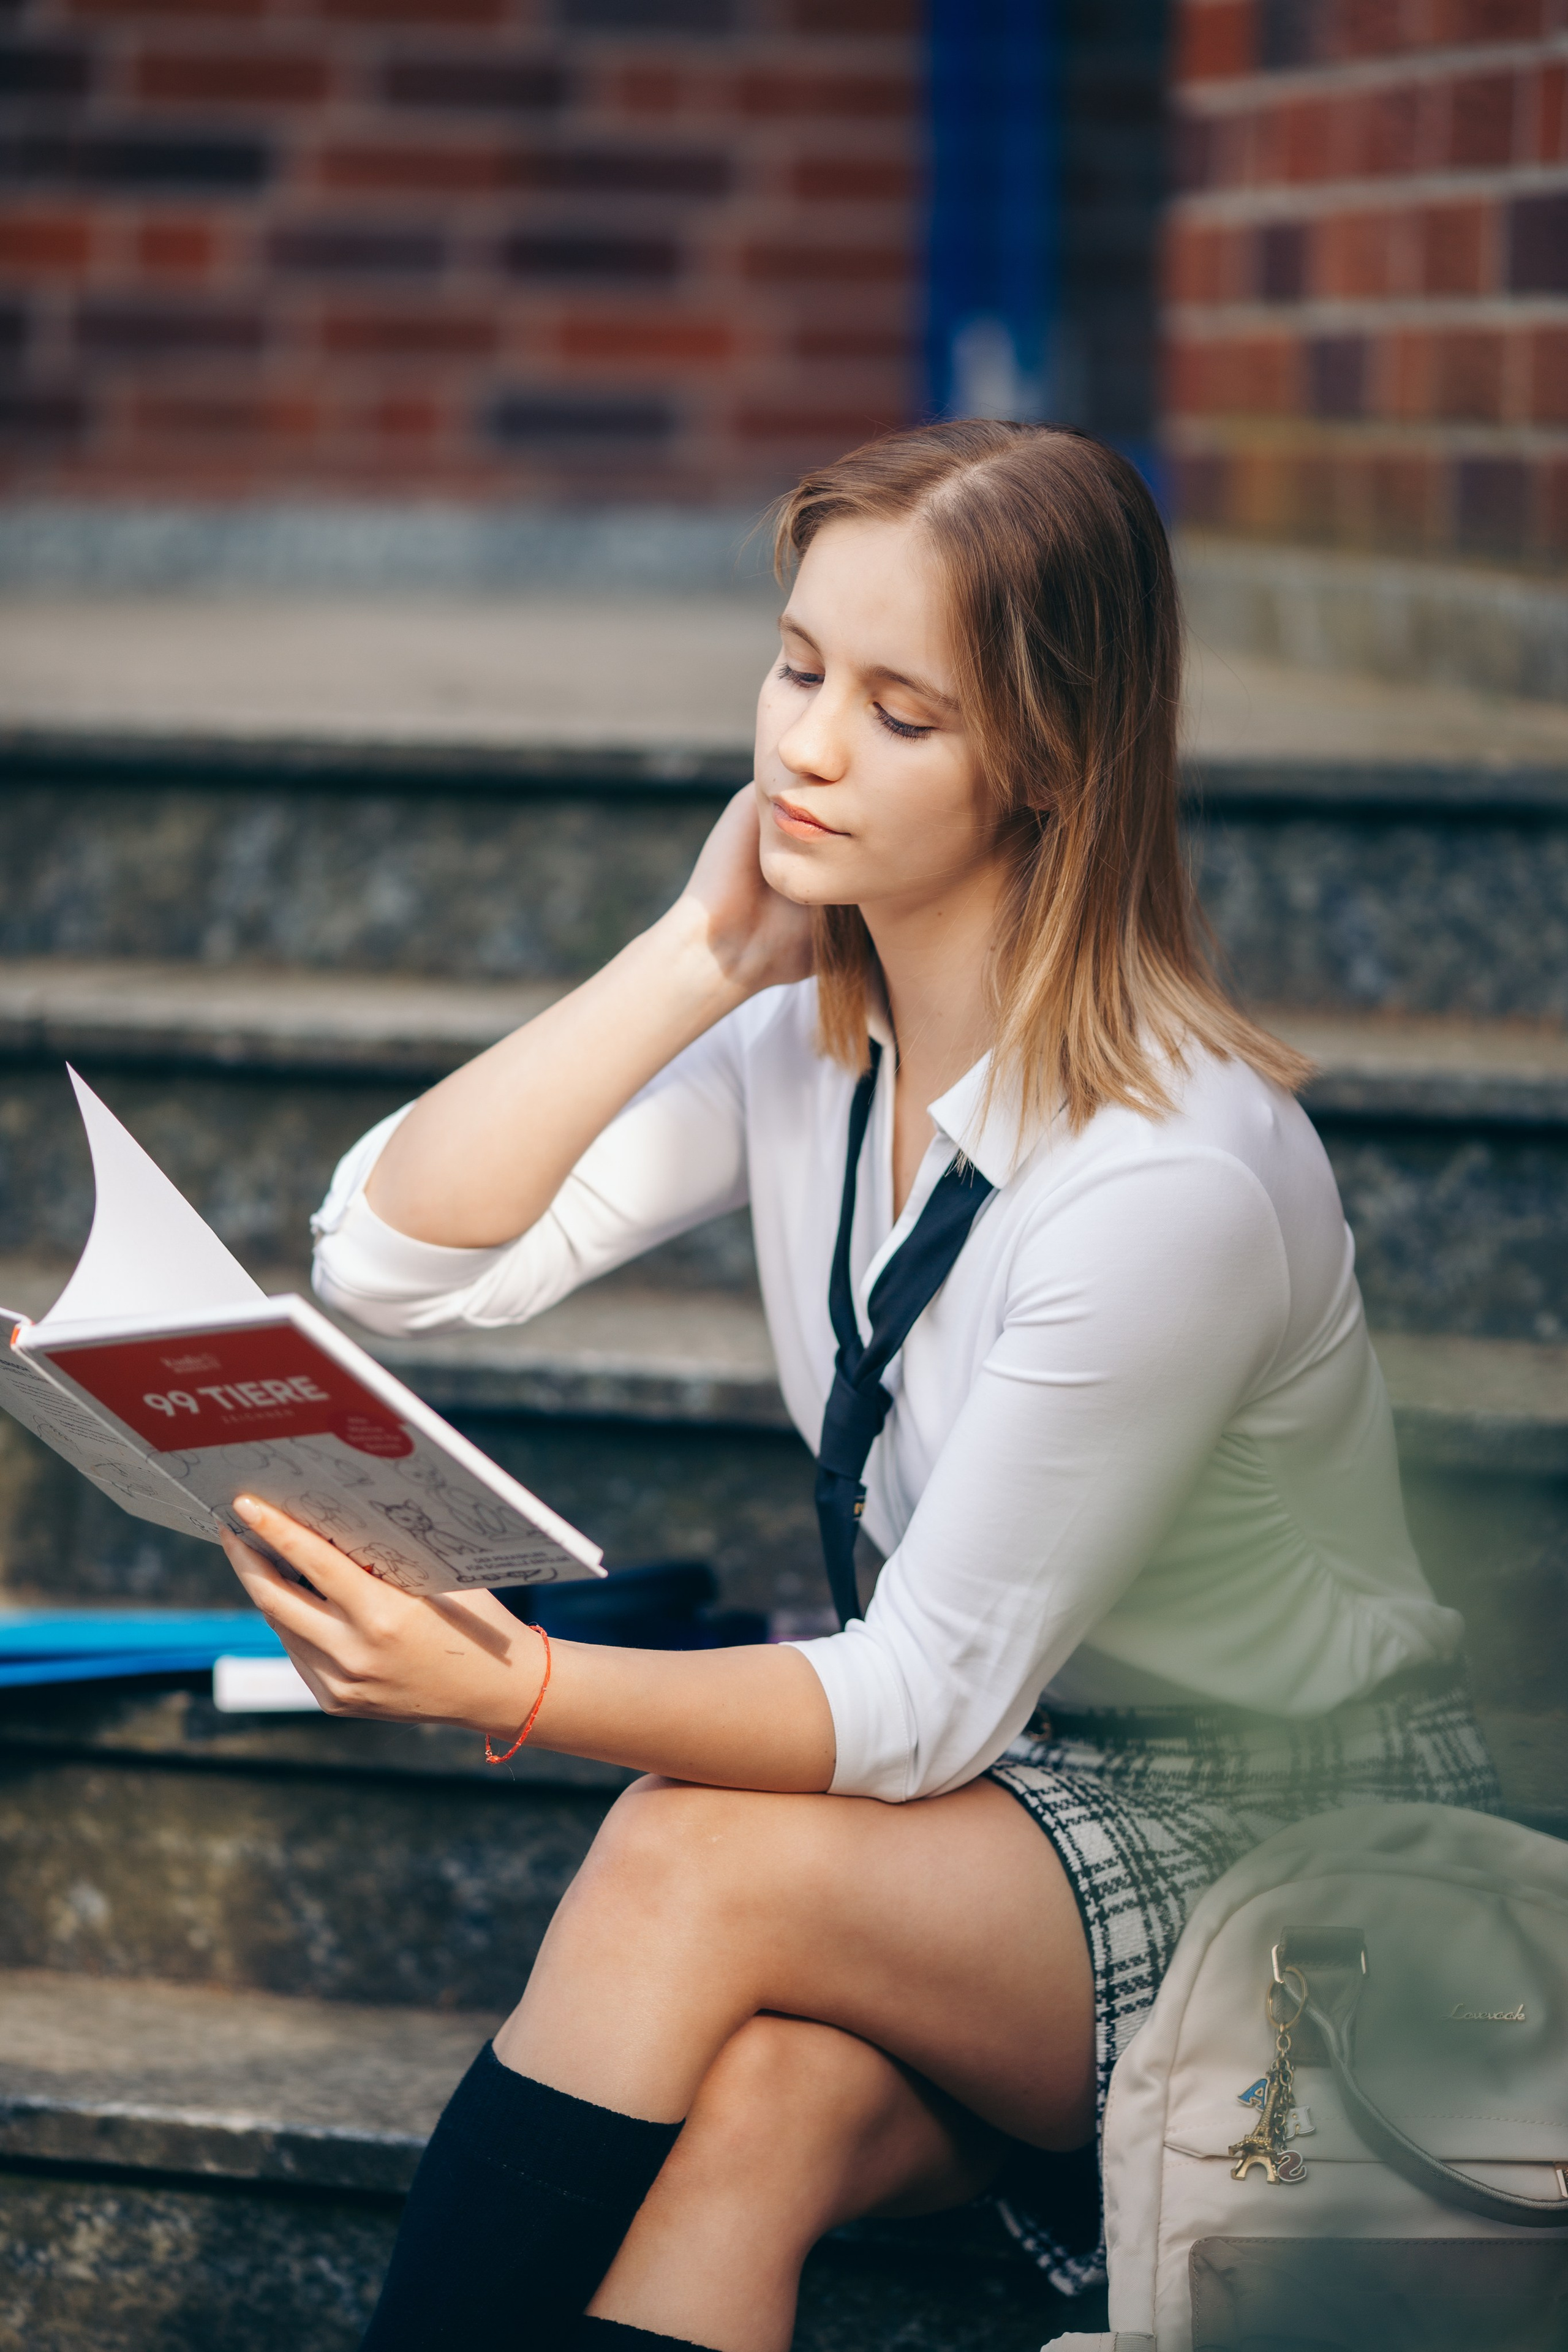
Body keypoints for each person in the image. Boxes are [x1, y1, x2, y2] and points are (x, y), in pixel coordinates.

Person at [222, 422, 1499, 2352]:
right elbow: (398, 1258)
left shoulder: (1165, 1179)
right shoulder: (813, 1035)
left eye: (903, 712)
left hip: (1283, 1855)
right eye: (800, 667)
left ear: (1050, 762)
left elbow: (918, 1700)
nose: (806, 747)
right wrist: (689, 956)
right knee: (761, 2111)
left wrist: (520, 1688)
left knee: (685, 1848)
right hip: (1010, 1815)